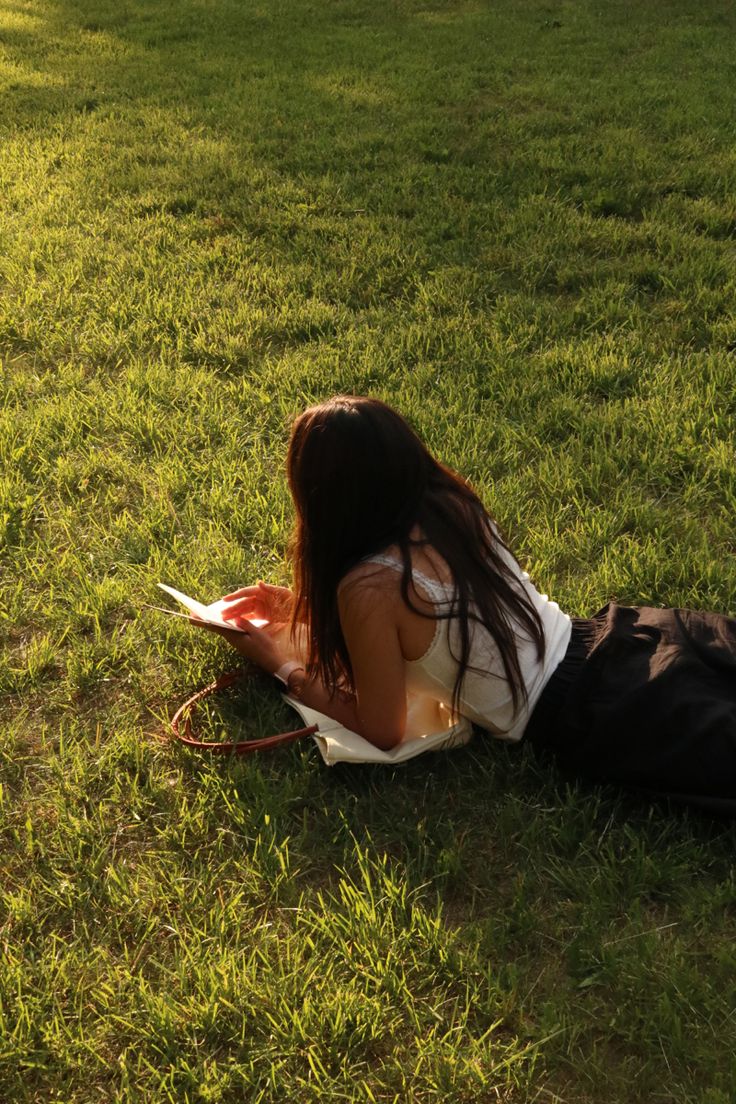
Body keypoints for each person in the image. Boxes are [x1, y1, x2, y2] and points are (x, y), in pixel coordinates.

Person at [193, 396, 736, 813]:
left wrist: (279, 663)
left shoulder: (368, 589)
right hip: (627, 637)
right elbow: (445, 624)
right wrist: (299, 607)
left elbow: (381, 729)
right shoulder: (449, 503)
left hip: (599, 714)